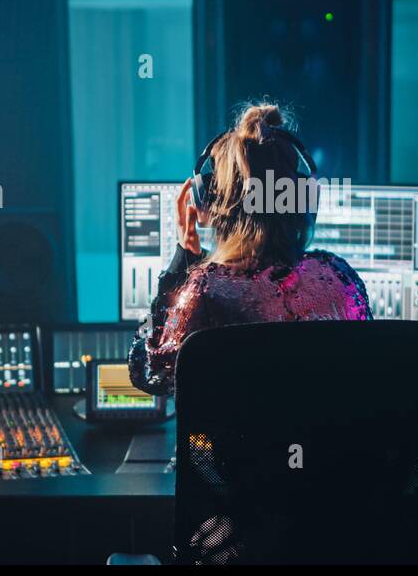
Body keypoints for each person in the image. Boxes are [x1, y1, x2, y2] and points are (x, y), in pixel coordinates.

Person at [128, 103, 371, 397]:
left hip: (237, 445)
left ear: (207, 202)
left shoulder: (204, 290)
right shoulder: (340, 277)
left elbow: (149, 373)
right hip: (326, 444)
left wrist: (182, 261)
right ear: (303, 198)